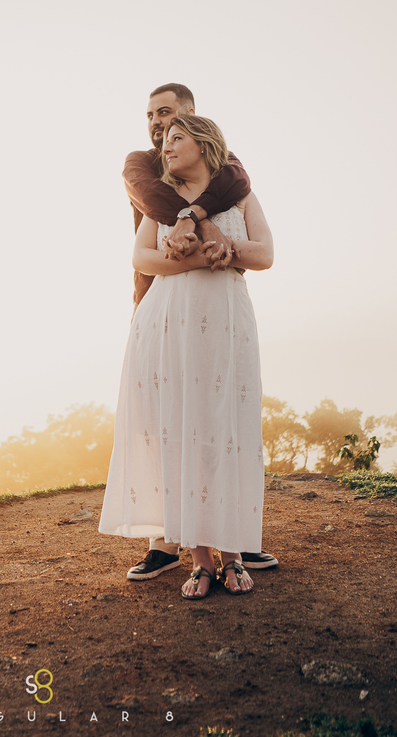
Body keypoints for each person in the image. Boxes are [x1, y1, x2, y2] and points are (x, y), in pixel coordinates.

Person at [99, 113, 274, 599]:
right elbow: (142, 259)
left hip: (226, 322)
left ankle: (234, 554)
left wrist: (230, 249)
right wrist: (200, 257)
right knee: (181, 433)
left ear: (203, 144)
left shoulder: (238, 195)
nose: (166, 146)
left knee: (227, 430)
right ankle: (199, 560)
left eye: (177, 139)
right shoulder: (165, 199)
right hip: (169, 324)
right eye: (166, 139)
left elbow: (265, 253)